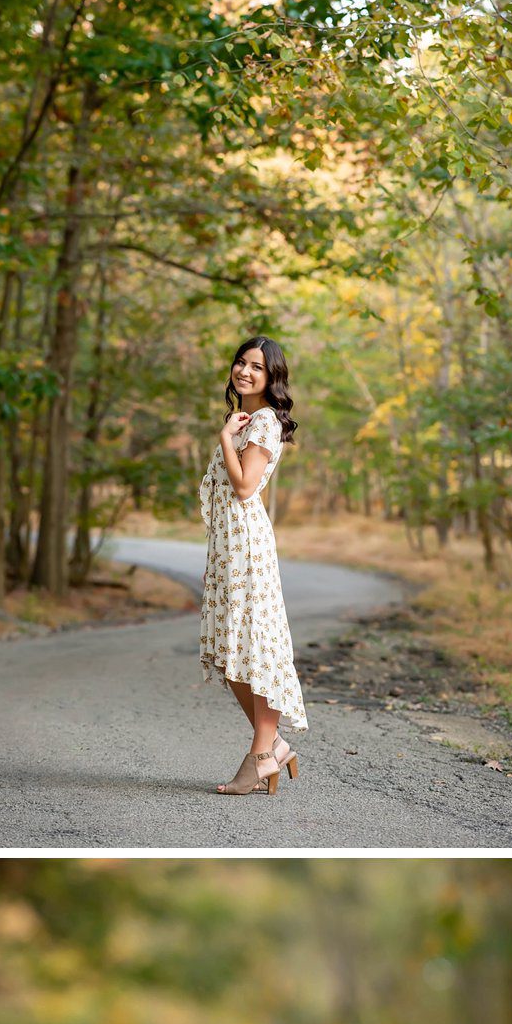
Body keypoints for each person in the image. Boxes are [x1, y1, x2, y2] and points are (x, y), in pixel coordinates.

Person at [202, 336, 308, 796]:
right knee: (233, 658)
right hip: (228, 545)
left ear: (271, 378)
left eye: (256, 367)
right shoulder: (245, 418)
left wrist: (226, 437)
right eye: (241, 363)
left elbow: (245, 487)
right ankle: (274, 746)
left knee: (252, 652)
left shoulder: (261, 422)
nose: (244, 371)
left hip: (247, 546)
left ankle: (261, 753)